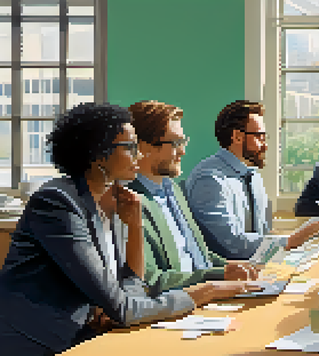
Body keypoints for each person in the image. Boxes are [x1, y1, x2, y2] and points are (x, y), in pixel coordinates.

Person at [0, 103, 261, 355]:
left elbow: (130, 292)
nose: (140, 154)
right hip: (43, 343)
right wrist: (208, 290)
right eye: (130, 147)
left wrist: (134, 225)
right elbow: (124, 308)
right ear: (98, 154)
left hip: (93, 335)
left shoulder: (118, 200)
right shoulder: (58, 203)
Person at [126, 100, 258, 296]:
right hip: (181, 304)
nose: (183, 151)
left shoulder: (174, 190)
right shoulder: (129, 202)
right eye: (175, 143)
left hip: (208, 295)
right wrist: (218, 275)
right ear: (143, 147)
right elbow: (151, 280)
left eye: (183, 141)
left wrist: (231, 267)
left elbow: (196, 254)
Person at [186, 100, 319, 260]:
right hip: (228, 276)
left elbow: (263, 233)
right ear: (237, 137)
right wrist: (292, 240)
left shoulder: (253, 176)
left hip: (259, 267)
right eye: (260, 136)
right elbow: (231, 244)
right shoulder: (209, 179)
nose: (265, 145)